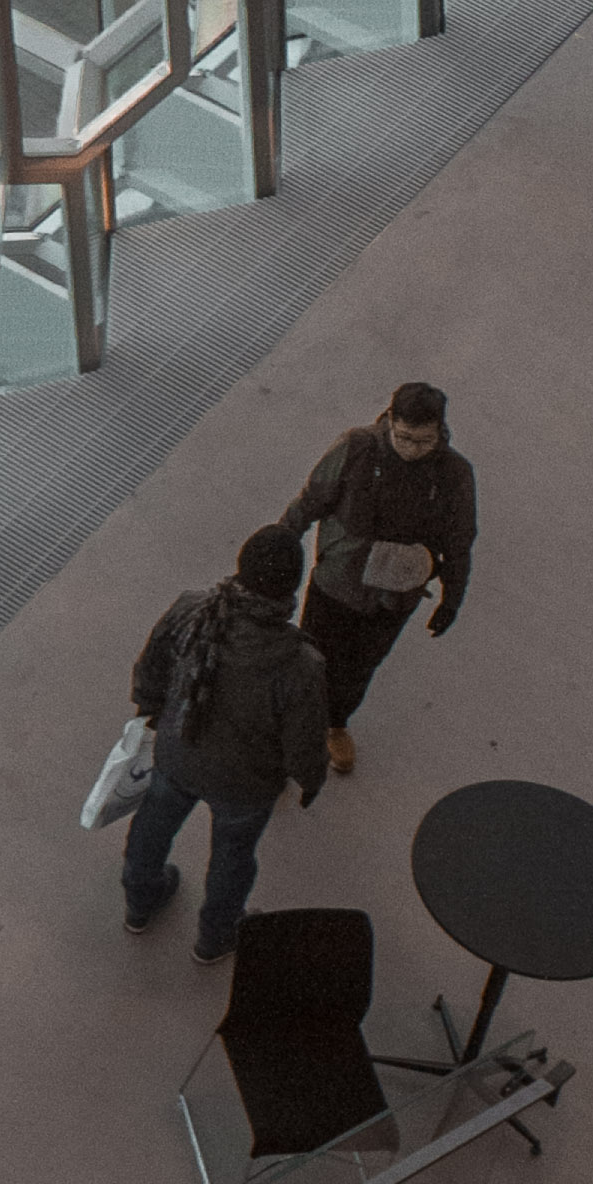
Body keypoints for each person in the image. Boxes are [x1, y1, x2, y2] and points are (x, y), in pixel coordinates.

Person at [120, 525, 327, 962]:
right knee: (233, 857)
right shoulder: (299, 663)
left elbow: (151, 670)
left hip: (176, 752)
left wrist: (153, 710)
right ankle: (214, 937)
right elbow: (302, 741)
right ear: (291, 586)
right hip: (246, 784)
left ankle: (140, 903)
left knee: (152, 825)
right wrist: (310, 779)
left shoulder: (191, 610)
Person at [280, 380, 476, 776]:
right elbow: (312, 499)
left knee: (361, 666)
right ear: (390, 421)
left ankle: (336, 723)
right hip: (337, 582)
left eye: (424, 441)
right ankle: (289, 733)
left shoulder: (454, 475)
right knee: (310, 660)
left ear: (440, 430)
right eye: (404, 437)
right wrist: (279, 548)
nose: (412, 449)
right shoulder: (356, 447)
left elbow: (459, 541)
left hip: (393, 596)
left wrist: (451, 598)